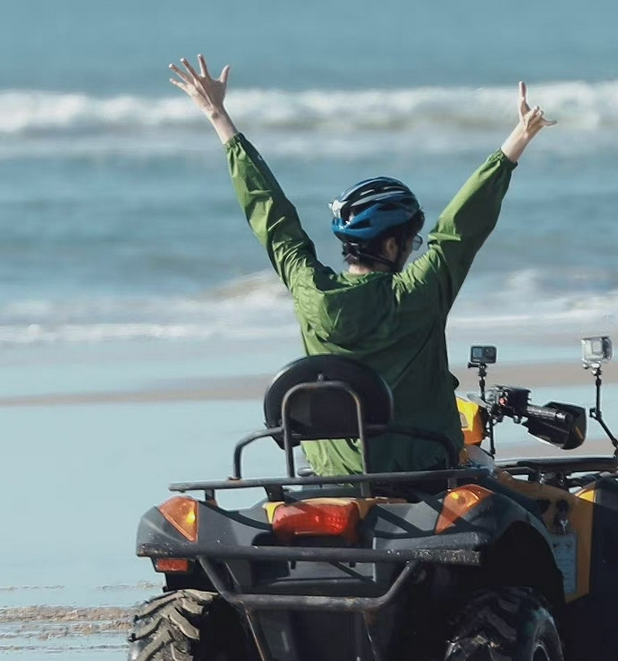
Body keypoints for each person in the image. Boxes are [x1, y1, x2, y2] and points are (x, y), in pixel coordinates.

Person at [169, 56, 553, 475]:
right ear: (392, 243)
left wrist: (218, 116)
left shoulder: (309, 289)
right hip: (424, 471)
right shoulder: (418, 294)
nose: (415, 248)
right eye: (412, 240)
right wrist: (518, 138)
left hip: (330, 478)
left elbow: (273, 218)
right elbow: (461, 229)